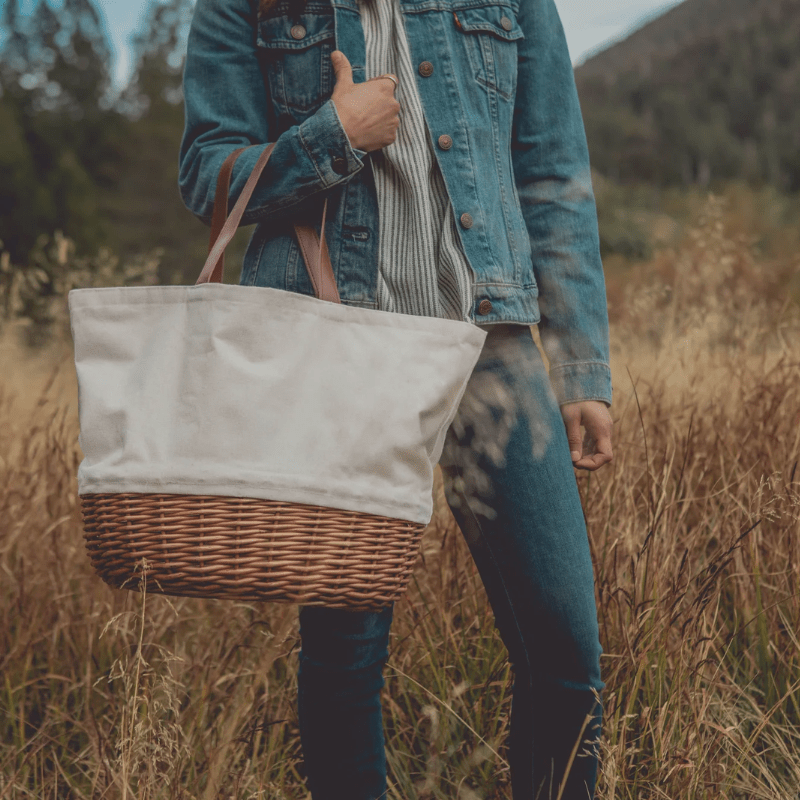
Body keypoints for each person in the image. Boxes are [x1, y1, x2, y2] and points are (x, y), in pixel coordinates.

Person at [179, 0, 614, 797]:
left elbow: (551, 172)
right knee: (347, 657)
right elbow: (206, 171)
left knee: (566, 652)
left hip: (494, 347)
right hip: (339, 347)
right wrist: (329, 138)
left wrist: (582, 364)